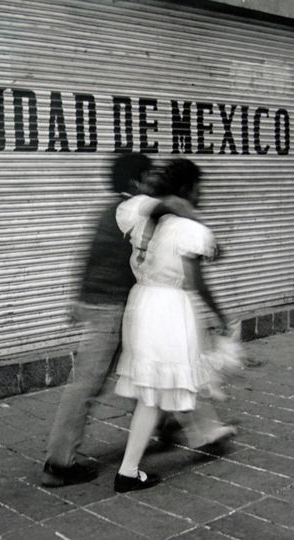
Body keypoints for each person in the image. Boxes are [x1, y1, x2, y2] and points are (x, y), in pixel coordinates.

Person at [42, 153, 200, 488]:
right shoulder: (137, 205)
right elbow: (169, 208)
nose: (153, 182)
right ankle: (60, 461)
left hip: (104, 304)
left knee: (140, 369)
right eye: (149, 177)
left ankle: (163, 424)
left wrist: (78, 299)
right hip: (111, 309)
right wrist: (185, 209)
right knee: (88, 384)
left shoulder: (108, 211)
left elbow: (87, 256)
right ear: (135, 182)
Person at [113, 158, 236, 493]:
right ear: (187, 188)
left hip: (142, 304)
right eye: (199, 186)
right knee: (159, 391)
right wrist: (221, 317)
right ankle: (128, 470)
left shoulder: (143, 217)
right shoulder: (188, 230)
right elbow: (200, 281)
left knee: (159, 388)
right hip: (169, 310)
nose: (202, 193)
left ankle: (201, 433)